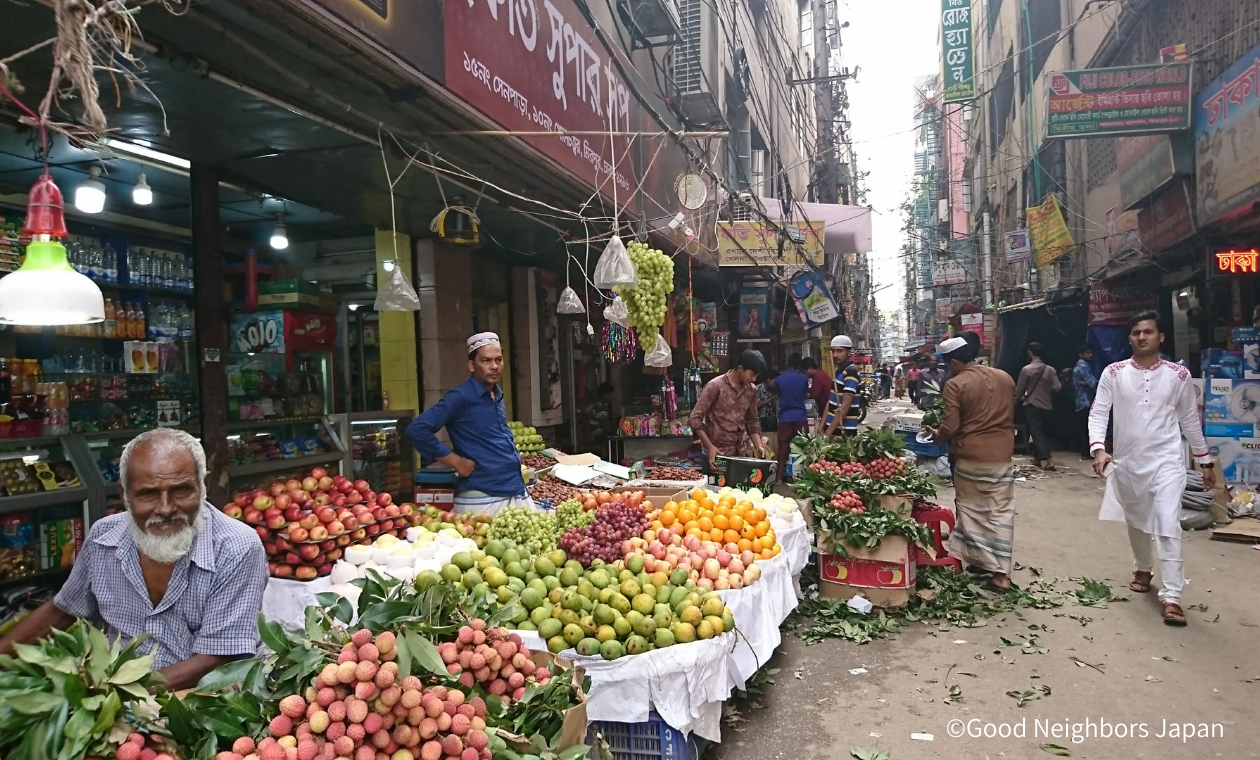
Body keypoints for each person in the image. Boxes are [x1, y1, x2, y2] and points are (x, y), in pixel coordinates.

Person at [0, 429, 267, 689]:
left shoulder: (237, 547)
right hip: (118, 694)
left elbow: (216, 658)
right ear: (124, 494)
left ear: (204, 485)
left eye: (181, 490)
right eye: (148, 493)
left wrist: (115, 693)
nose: (165, 509)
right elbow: (62, 610)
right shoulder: (104, 538)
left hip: (206, 698)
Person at [1089, 311, 1215, 627]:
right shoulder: (1113, 373)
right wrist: (1098, 448)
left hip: (1168, 462)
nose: (1142, 337)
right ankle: (1143, 567)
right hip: (1129, 463)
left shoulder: (1178, 376)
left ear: (1160, 337)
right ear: (1130, 338)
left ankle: (1172, 597)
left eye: (1148, 331)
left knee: (1168, 522)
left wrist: (1205, 460)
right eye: (1136, 332)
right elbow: (1099, 412)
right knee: (1136, 520)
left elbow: (1188, 419)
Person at [925, 336, 1017, 591]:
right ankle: (999, 573)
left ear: (954, 362)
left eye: (947, 365)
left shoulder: (956, 384)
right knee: (999, 514)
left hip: (971, 458)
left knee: (972, 513)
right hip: (1002, 456)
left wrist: (937, 435)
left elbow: (950, 427)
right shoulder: (1004, 377)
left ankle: (984, 566)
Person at [406, 332, 533, 515]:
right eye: (486, 361)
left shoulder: (496, 394)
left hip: (512, 489)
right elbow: (416, 430)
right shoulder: (461, 396)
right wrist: (456, 462)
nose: (494, 366)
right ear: (472, 365)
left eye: (498, 360)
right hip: (483, 498)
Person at [689, 349, 768, 472]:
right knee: (713, 491)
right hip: (716, 454)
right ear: (740, 368)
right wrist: (710, 446)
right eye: (752, 374)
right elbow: (694, 418)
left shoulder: (751, 390)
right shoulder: (715, 386)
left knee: (737, 491)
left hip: (739, 453)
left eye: (757, 376)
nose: (754, 379)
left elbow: (752, 420)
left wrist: (758, 446)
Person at [1014, 342, 1061, 471]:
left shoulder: (1026, 370)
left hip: (1031, 405)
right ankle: (1036, 458)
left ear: (1030, 353)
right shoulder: (1050, 370)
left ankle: (1049, 460)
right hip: (1047, 406)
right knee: (1041, 432)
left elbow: (1019, 390)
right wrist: (1046, 389)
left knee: (1036, 432)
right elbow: (1057, 388)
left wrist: (1018, 398)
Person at [771, 354, 811, 475]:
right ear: (799, 365)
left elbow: (778, 395)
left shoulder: (778, 380)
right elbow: (805, 395)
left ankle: (778, 477)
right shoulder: (803, 378)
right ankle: (807, 475)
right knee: (804, 447)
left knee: (783, 448)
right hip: (800, 417)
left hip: (785, 418)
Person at [823, 335, 862, 437]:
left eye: (840, 351)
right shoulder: (839, 371)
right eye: (833, 351)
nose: (835, 355)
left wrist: (828, 432)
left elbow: (845, 406)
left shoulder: (851, 372)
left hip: (844, 431)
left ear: (849, 353)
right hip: (832, 428)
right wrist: (822, 425)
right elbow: (831, 401)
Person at [1072, 345, 1098, 460]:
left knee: (1083, 426)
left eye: (1091, 353)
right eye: (1087, 353)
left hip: (1082, 400)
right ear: (1081, 354)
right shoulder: (1083, 366)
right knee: (1086, 427)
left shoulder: (1084, 365)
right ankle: (1085, 451)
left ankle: (1085, 450)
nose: (1090, 355)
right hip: (1084, 401)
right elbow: (1093, 382)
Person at [805, 356, 832, 425]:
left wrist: (805, 394)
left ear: (810, 369)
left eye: (804, 372)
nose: (804, 374)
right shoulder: (821, 372)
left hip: (828, 408)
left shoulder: (817, 376)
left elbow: (814, 394)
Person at [589, 382, 615, 454]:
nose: (611, 397)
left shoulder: (601, 405)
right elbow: (606, 427)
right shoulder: (600, 407)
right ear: (604, 395)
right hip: (598, 435)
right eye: (610, 395)